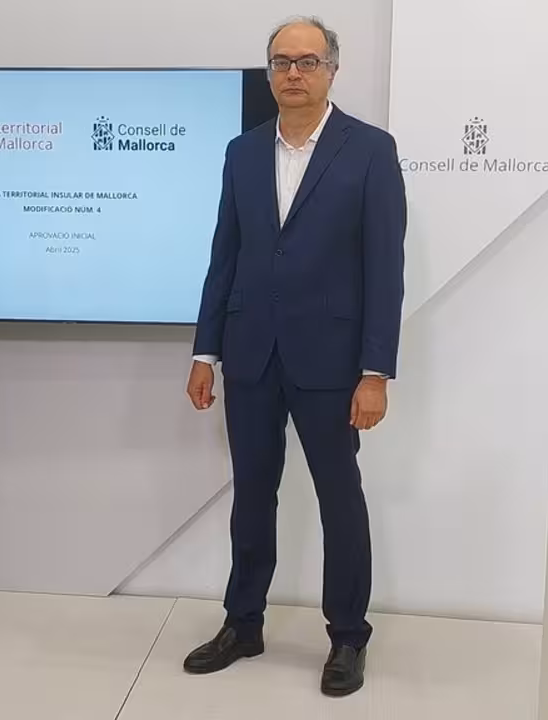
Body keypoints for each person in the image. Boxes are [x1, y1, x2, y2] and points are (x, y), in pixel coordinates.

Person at [183, 16, 407, 697]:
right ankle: (242, 623)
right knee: (252, 495)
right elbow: (225, 255)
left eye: (308, 62)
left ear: (332, 70)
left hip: (333, 361)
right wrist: (205, 351)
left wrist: (375, 371)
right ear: (270, 71)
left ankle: (348, 636)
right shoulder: (242, 152)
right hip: (250, 352)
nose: (294, 74)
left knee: (340, 498)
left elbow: (385, 268)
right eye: (282, 62)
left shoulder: (370, 150)